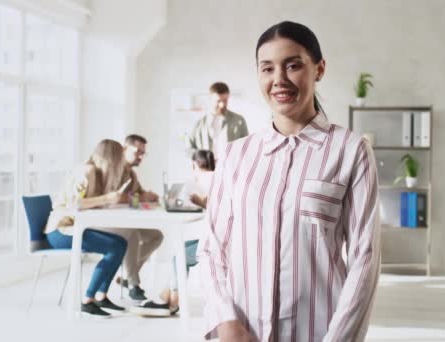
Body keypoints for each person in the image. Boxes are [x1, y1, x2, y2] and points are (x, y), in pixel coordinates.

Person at [197, 21, 380, 342]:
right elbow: (212, 249)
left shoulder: (351, 151)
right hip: (242, 333)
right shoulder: (235, 155)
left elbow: (365, 259)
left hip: (319, 332)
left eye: (293, 65)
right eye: (267, 69)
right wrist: (225, 321)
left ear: (319, 69)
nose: (279, 80)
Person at [44, 139, 130, 318]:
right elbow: (74, 204)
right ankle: (87, 300)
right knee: (114, 247)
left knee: (121, 243)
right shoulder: (87, 171)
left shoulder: (96, 173)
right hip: (59, 231)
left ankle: (101, 295)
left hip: (72, 228)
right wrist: (107, 198)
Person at [131, 150, 215, 317]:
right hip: (216, 238)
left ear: (194, 164)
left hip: (220, 243)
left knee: (179, 256)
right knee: (181, 249)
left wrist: (200, 202)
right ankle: (168, 297)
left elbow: (216, 207)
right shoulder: (216, 177)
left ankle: (172, 301)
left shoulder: (207, 179)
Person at [108, 134, 163, 302]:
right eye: (137, 151)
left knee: (155, 236)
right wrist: (142, 197)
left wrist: (148, 196)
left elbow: (137, 194)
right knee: (132, 233)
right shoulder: (114, 168)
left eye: (143, 153)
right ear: (125, 149)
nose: (140, 156)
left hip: (126, 219)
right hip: (109, 221)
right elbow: (114, 198)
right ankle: (133, 284)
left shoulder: (131, 173)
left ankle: (127, 275)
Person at [187, 82, 249, 157]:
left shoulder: (239, 121)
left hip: (231, 168)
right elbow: (188, 148)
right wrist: (200, 158)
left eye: (225, 100)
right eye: (218, 101)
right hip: (207, 168)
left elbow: (247, 147)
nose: (222, 105)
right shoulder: (199, 123)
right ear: (210, 99)